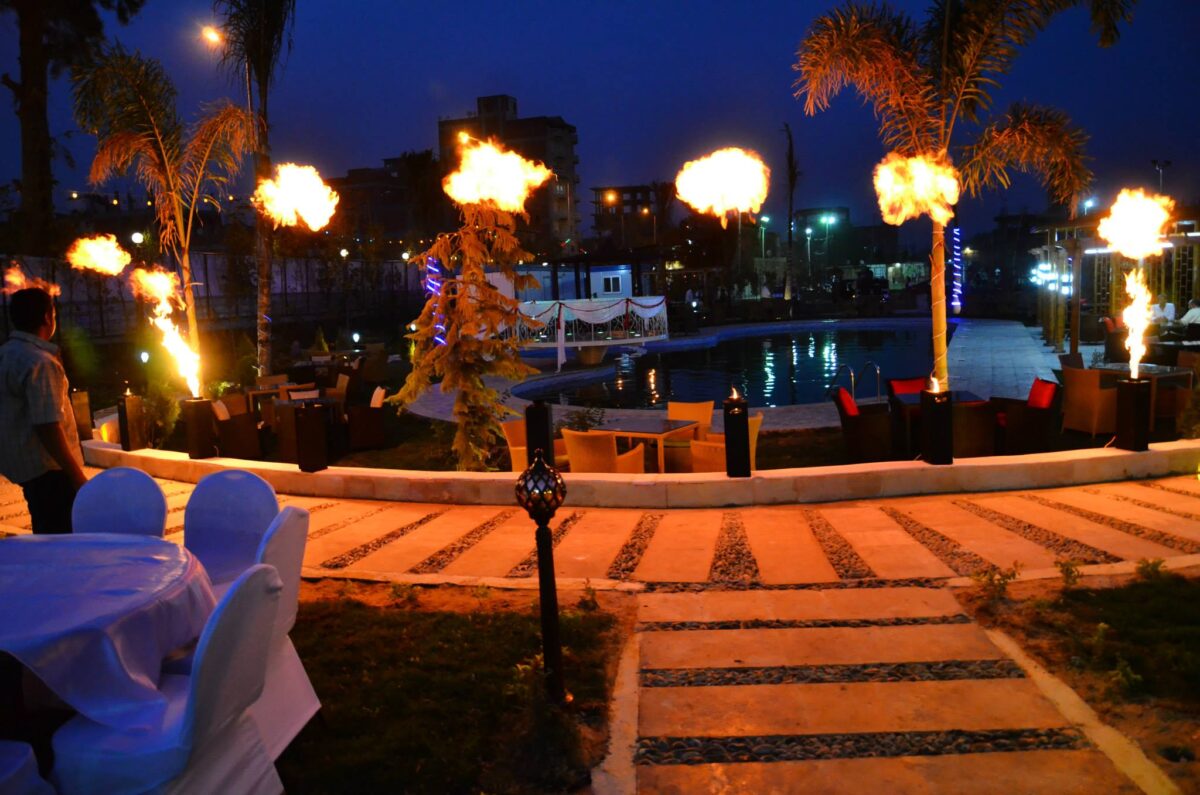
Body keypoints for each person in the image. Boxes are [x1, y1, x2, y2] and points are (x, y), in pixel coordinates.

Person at [0, 288, 87, 533]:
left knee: (45, 530)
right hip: (50, 471)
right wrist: (76, 476)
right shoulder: (40, 362)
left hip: (24, 467)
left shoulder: (6, 354)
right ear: (48, 317)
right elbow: (48, 426)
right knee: (61, 535)